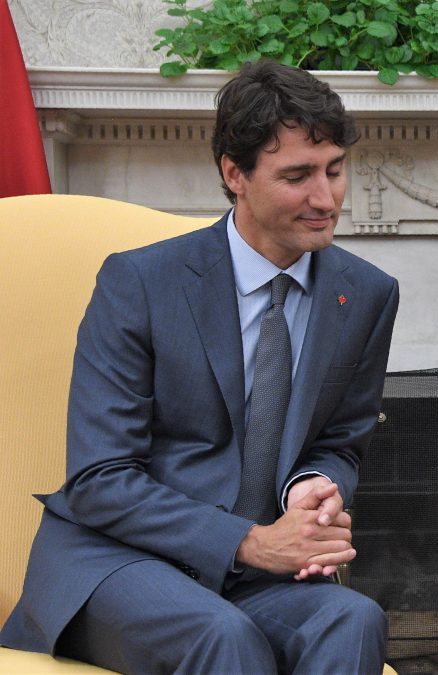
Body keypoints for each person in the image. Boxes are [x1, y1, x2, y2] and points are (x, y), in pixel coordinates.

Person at [0, 60, 399, 673]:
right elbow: (100, 478)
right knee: (223, 637)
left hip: (255, 577)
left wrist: (313, 490)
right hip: (118, 561)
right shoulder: (139, 282)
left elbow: (340, 443)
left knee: (354, 619)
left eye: (335, 170)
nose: (326, 198)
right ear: (234, 173)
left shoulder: (366, 293)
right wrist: (250, 542)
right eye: (298, 176)